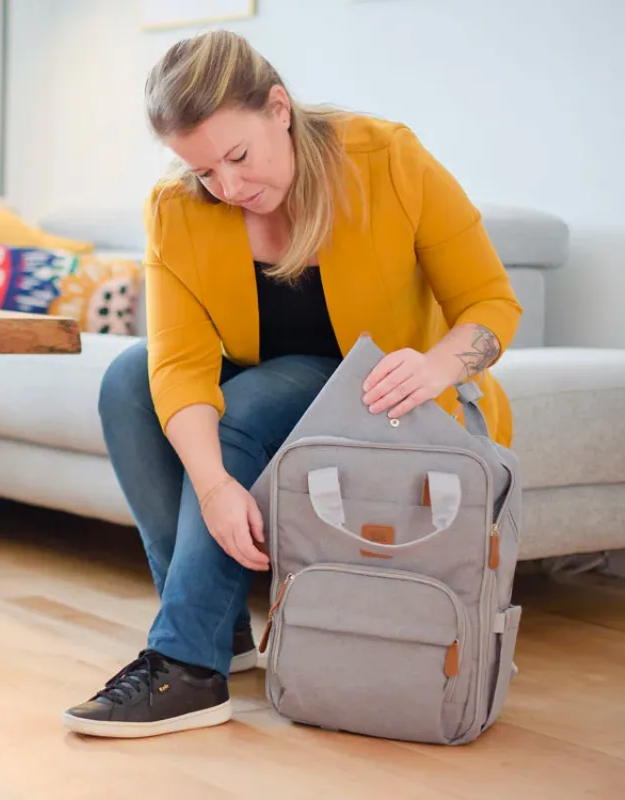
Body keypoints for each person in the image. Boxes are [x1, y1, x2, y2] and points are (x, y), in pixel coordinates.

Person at [63, 29, 522, 739]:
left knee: (246, 403)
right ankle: (221, 632)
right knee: (125, 381)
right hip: (266, 379)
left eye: (239, 157)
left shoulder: (386, 159)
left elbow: (491, 303)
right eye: (204, 171)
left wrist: (436, 365)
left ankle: (186, 664)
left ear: (279, 107)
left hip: (371, 391)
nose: (230, 188)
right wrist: (215, 487)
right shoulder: (177, 207)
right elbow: (178, 363)